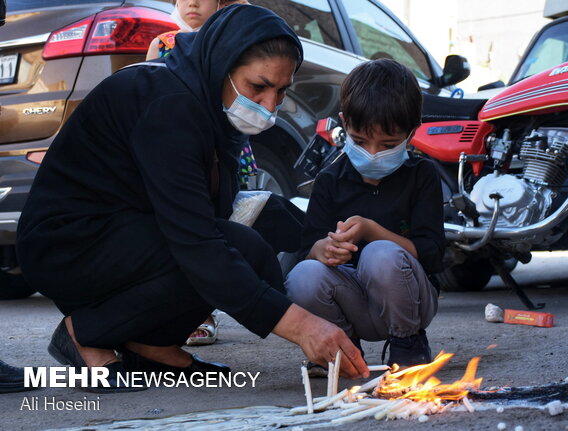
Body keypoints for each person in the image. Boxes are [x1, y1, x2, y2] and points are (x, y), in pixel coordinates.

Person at [16, 5, 368, 393]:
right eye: (258, 87)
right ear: (222, 65)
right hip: (68, 245)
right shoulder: (169, 105)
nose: (269, 106)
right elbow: (197, 243)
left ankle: (151, 346)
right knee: (217, 253)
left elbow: (223, 209)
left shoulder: (208, 101)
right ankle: (84, 334)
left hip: (124, 232)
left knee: (248, 249)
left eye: (281, 91)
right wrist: (303, 327)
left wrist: (311, 243)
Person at [285, 59, 445, 376]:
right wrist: (325, 250)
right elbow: (308, 249)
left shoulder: (422, 175)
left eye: (387, 145)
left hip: (410, 300)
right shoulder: (330, 180)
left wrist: (372, 231)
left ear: (412, 133)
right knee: (303, 275)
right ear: (345, 124)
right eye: (360, 141)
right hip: (352, 301)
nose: (372, 153)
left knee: (379, 254)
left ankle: (408, 344)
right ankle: (343, 348)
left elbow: (433, 254)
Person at [147, 0, 253, 347]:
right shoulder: (164, 43)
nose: (192, 2)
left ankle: (204, 311)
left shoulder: (236, 42)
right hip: (174, 153)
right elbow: (145, 96)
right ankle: (170, 310)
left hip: (220, 151)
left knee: (214, 227)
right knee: (174, 227)